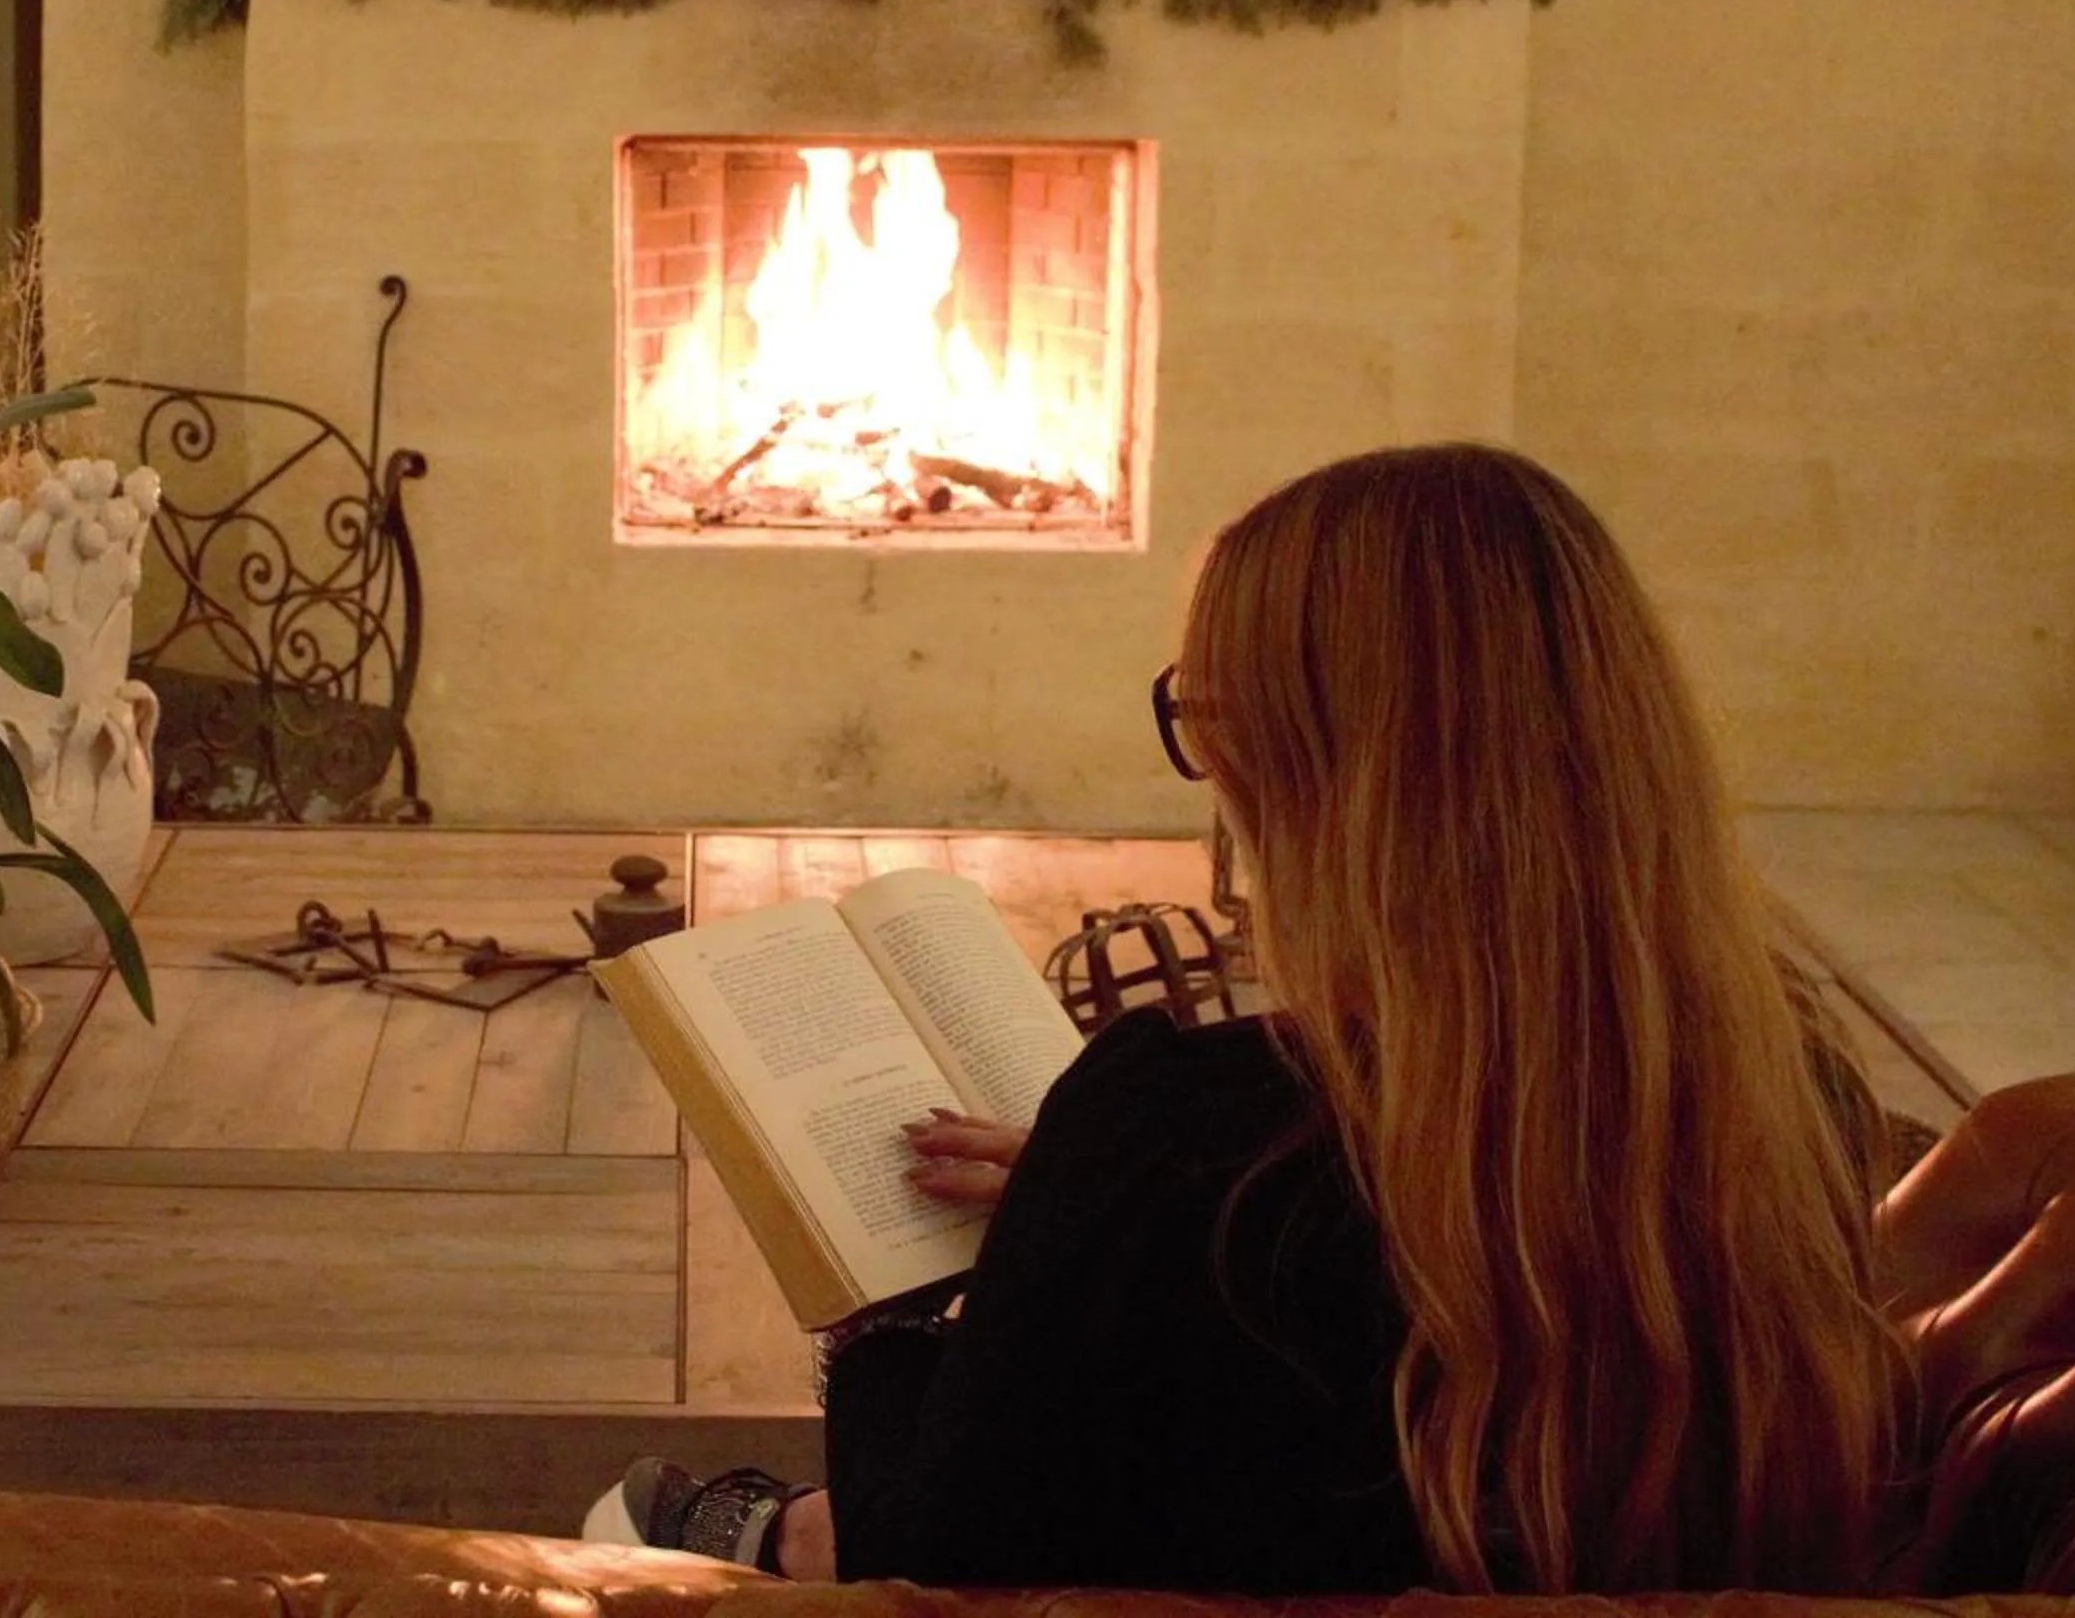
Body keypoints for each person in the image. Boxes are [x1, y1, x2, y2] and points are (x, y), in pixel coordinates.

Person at [588, 443, 1906, 1594]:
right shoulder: (1801, 1092)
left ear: (1306, 768)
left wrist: (882, 1320)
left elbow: (947, 1560)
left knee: (715, 1528)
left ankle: (782, 1533)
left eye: (1209, 726)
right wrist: (1083, 1217)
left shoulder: (1186, 1132)